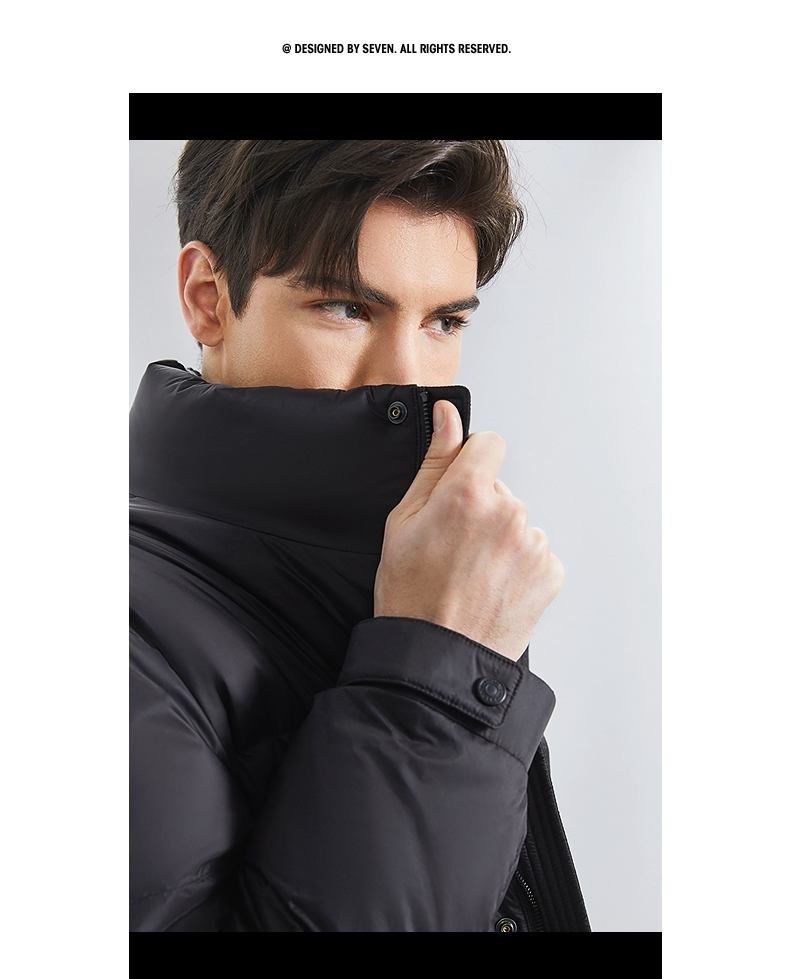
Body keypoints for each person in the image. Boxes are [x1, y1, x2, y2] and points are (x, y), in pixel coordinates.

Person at [130, 140, 591, 932]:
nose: (407, 375)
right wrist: (433, 681)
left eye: (445, 321)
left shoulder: (426, 569)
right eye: (347, 308)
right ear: (208, 299)